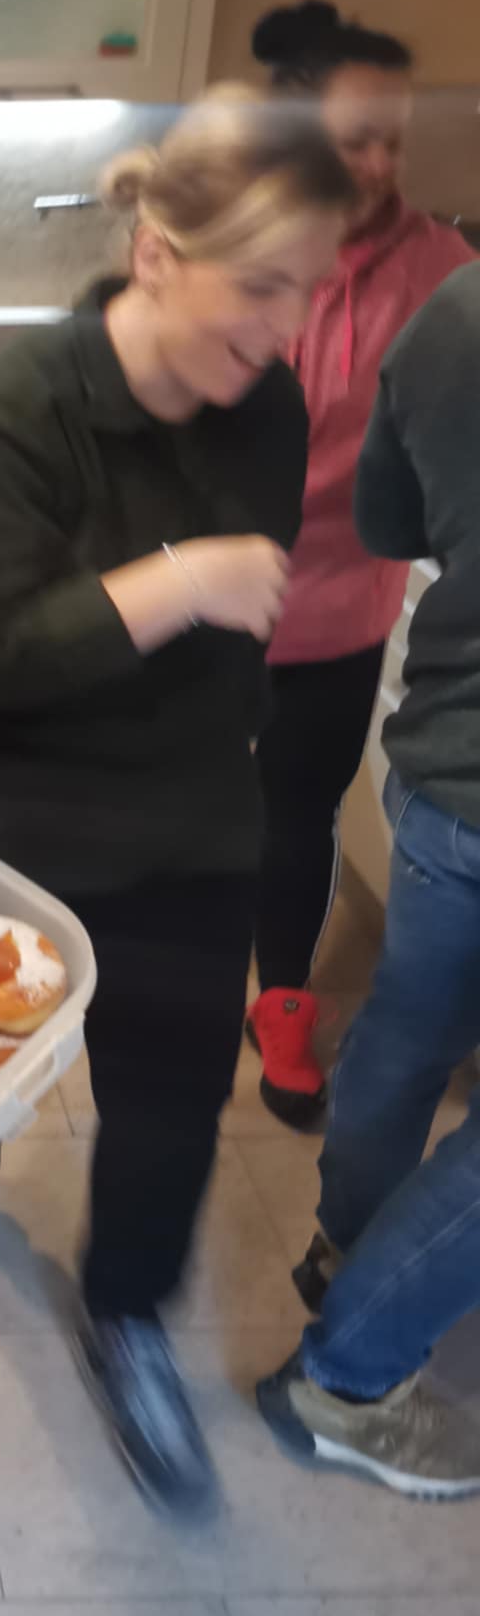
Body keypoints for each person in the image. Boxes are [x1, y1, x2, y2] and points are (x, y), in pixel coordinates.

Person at [0, 89, 356, 1513]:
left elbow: (234, 640)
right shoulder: (10, 416)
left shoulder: (266, 404)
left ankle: (127, 1311)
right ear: (155, 253)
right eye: (259, 285)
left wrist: (199, 666)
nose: (284, 326)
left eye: (305, 289)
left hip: (181, 804)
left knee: (173, 1098)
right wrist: (178, 582)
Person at [259, 262, 480, 1497]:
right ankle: (349, 1373)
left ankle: (348, 1247)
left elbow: (392, 522)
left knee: (409, 1028)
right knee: (409, 1032)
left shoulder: (455, 307)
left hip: (448, 758)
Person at [245, 0, 473, 1128]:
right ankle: (171, 981)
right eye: (356, 139)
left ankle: (283, 1004)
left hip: (338, 609)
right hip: (206, 597)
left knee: (299, 814)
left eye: (394, 140)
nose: (381, 164)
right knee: (192, 805)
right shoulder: (241, 238)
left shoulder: (442, 273)